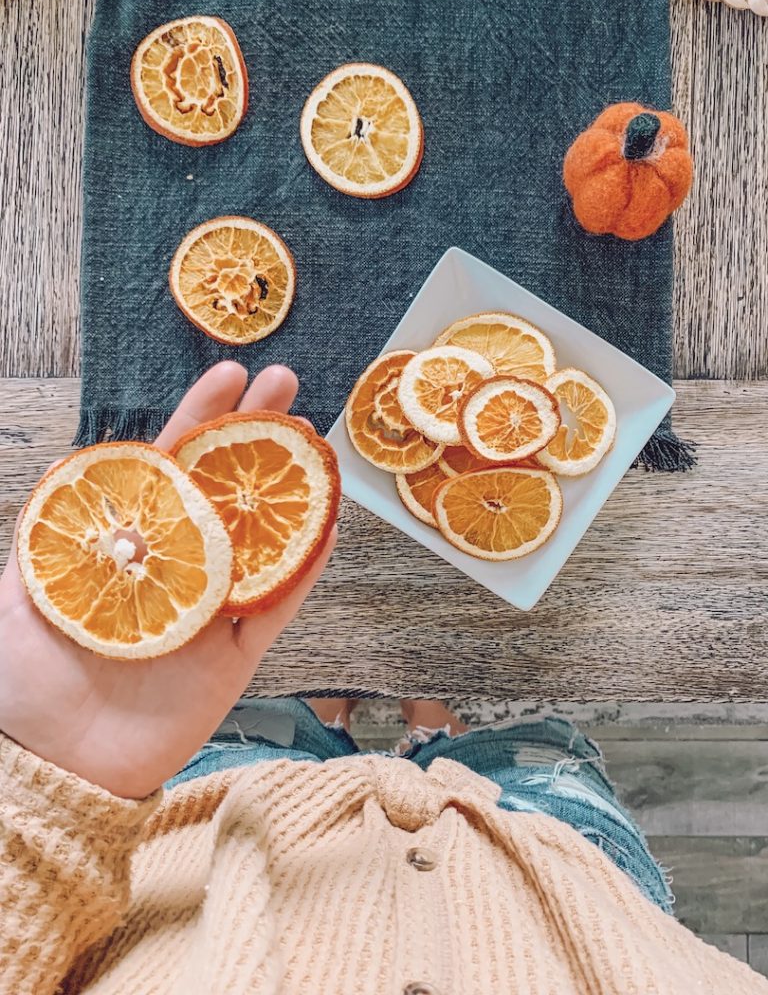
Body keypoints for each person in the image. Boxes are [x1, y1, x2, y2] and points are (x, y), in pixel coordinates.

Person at [0, 362, 765, 995]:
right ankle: (434, 730)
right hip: (555, 866)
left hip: (221, 823)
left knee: (272, 737)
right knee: (519, 756)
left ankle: (329, 725)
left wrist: (47, 789)